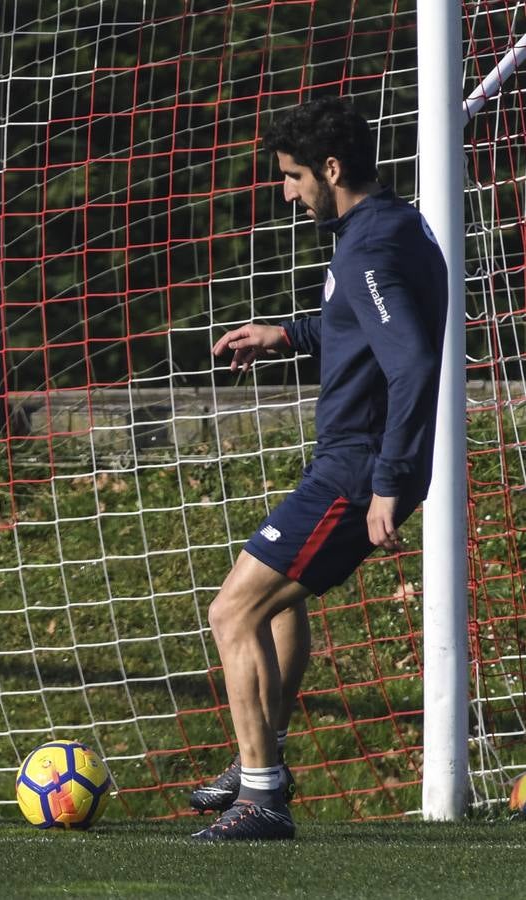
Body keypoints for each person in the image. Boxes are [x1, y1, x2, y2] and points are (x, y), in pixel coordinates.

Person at [192, 97, 447, 840]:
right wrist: (287, 332)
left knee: (231, 612)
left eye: (293, 176)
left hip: (355, 471)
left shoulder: (365, 247)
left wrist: (390, 480)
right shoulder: (383, 229)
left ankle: (262, 795)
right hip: (349, 464)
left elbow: (411, 360)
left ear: (331, 169)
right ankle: (257, 762)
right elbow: (364, 324)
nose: (286, 192)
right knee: (277, 603)